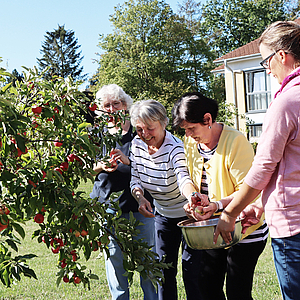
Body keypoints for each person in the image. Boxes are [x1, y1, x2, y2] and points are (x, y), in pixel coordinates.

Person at [214, 20, 300, 300]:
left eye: (266, 62)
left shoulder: (287, 102)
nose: (268, 71)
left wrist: (229, 213)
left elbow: (265, 166)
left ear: (282, 56)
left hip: (293, 227)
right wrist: (260, 205)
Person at [172, 92, 269, 300]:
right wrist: (196, 199)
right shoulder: (191, 143)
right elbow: (190, 178)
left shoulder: (236, 141)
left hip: (245, 228)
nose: (188, 135)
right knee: (207, 286)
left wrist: (216, 205)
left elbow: (249, 191)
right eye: (185, 130)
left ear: (207, 119)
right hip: (215, 227)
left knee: (237, 292)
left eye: (191, 128)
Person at [129, 99, 205, 300]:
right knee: (163, 272)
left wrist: (192, 197)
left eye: (150, 128)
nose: (144, 135)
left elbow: (183, 177)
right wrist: (140, 198)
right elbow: (135, 178)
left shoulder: (175, 148)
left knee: (192, 273)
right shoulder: (136, 145)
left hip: (189, 217)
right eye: (139, 129)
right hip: (162, 215)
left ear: (163, 123)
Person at [89, 84, 157, 300]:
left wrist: (129, 161)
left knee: (147, 260)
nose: (111, 109)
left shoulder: (140, 134)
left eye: (115, 104)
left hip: (140, 205)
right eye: (106, 105)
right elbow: (84, 167)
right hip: (107, 206)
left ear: (125, 105)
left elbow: (155, 164)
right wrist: (100, 165)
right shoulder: (95, 134)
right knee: (114, 261)